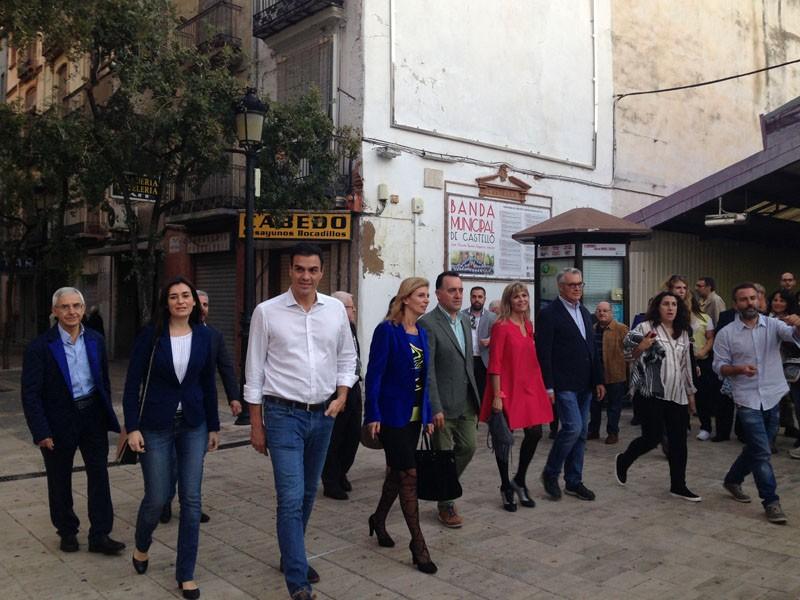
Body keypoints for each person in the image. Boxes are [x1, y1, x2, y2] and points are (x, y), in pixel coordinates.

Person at [244, 243, 357, 600]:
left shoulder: (335, 310)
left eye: (312, 270)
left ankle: (290, 554)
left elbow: (347, 357)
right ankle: (298, 582)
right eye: (299, 269)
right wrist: (256, 424)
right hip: (282, 415)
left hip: (323, 415)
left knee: (308, 493)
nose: (305, 276)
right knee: (291, 497)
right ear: (290, 270)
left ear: (321, 272)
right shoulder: (267, 312)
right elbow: (254, 371)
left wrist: (342, 395)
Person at [124, 276, 220, 599]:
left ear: (194, 301)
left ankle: (186, 574)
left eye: (185, 296)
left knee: (191, 500)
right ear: (166, 303)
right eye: (174, 296)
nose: (180, 301)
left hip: (194, 424)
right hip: (155, 425)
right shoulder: (150, 336)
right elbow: (131, 385)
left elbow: (208, 384)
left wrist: (214, 426)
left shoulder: (205, 336)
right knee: (157, 497)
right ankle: (141, 545)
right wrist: (132, 427)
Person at [21, 287, 125, 555]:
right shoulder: (40, 347)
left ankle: (100, 534)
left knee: (99, 475)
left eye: (76, 306)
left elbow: (102, 380)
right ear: (55, 311)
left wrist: (105, 414)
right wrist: (41, 430)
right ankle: (67, 531)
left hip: (92, 416)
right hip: (58, 420)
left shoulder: (96, 340)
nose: (71, 311)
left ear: (83, 308)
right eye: (65, 307)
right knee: (59, 479)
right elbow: (30, 394)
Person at [364, 277, 438, 574]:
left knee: (396, 475)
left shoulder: (421, 333)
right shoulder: (387, 331)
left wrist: (428, 415)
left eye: (427, 295)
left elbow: (424, 380)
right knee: (409, 475)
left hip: (414, 418)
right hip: (391, 417)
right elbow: (375, 375)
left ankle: (378, 519)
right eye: (421, 295)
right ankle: (418, 545)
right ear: (405, 298)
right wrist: (373, 414)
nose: (426, 300)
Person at [714, 283, 800, 524]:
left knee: (756, 448)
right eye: (744, 299)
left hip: (773, 395)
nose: (750, 302)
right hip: (746, 398)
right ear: (736, 304)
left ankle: (732, 480)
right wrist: (738, 369)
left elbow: (794, 337)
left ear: (759, 300)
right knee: (762, 452)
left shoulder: (773, 325)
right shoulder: (726, 333)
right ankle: (771, 501)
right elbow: (719, 366)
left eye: (753, 298)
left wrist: (798, 324)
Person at [160, 290, 240, 525]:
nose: (203, 308)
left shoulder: (213, 335)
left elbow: (225, 367)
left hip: (200, 409)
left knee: (194, 462)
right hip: (170, 410)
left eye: (206, 304)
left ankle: (191, 505)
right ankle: (164, 501)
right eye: (200, 303)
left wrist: (234, 397)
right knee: (171, 462)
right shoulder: (167, 332)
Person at [614, 291, 700, 501]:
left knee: (679, 442)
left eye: (674, 304)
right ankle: (624, 460)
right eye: (665, 304)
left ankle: (678, 485)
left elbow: (686, 365)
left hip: (677, 394)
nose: (670, 308)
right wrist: (640, 347)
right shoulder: (644, 328)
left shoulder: (683, 332)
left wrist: (690, 393)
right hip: (650, 393)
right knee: (651, 438)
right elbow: (625, 354)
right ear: (657, 307)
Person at [480, 282, 553, 511]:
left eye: (524, 295)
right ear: (508, 301)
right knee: (504, 437)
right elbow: (495, 363)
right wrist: (497, 395)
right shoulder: (501, 326)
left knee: (535, 433)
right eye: (516, 296)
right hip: (506, 387)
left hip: (529, 387)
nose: (521, 300)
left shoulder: (528, 325)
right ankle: (505, 486)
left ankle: (519, 479)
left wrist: (544, 388)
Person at [536, 268, 605, 501]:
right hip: (563, 383)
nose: (577, 288)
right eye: (572, 285)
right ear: (561, 287)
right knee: (572, 428)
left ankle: (574, 482)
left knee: (582, 432)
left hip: (585, 383)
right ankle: (551, 473)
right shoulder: (549, 314)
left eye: (579, 284)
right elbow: (544, 353)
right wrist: (548, 386)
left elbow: (592, 349)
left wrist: (598, 379)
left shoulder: (584, 312)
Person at [418, 271, 480, 527]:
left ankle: (443, 485)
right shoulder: (428, 323)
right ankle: (446, 505)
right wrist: (434, 406)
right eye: (452, 290)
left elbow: (467, 362)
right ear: (438, 294)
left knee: (469, 446)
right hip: (442, 404)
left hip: (466, 400)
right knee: (443, 455)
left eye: (460, 290)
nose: (458, 295)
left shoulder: (464, 320)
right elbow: (428, 369)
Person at [321, 291, 363, 500]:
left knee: (352, 436)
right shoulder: (330, 328)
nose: (354, 310)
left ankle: (341, 471)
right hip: (336, 390)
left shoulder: (351, 328)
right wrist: (340, 394)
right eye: (350, 306)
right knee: (335, 438)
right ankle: (330, 481)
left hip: (354, 386)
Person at [588, 301, 629, 445]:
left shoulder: (621, 329)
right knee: (594, 405)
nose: (602, 313)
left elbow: (631, 350)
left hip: (615, 374)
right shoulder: (592, 329)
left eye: (605, 311)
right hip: (596, 375)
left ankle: (612, 433)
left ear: (611, 313)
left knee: (614, 406)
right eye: (599, 311)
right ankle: (593, 431)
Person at [689, 292, 716, 441]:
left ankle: (705, 426)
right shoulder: (676, 319)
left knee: (702, 396)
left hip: (701, 360)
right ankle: (684, 425)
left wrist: (703, 351)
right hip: (682, 361)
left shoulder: (705, 318)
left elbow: (710, 338)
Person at [462, 286, 489, 398]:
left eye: (480, 297)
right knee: (467, 392)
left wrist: (491, 339)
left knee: (483, 392)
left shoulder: (492, 317)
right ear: (470, 298)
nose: (477, 299)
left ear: (484, 299)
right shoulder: (460, 315)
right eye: (474, 296)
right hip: (466, 359)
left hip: (484, 361)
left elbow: (500, 336)